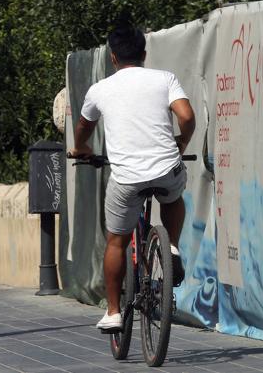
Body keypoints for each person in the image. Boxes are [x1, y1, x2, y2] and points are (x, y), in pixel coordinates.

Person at [69, 25, 196, 330]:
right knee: (173, 196)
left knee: (116, 241)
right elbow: (187, 116)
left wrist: (82, 148)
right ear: (144, 54)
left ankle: (113, 312)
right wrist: (181, 143)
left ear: (113, 57)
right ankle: (173, 246)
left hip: (126, 178)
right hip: (166, 168)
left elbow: (84, 127)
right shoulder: (164, 79)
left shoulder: (99, 89)